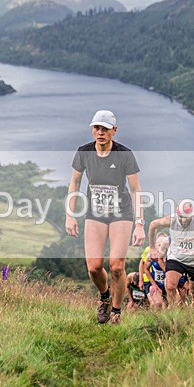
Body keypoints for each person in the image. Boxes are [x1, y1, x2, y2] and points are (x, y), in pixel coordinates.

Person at [66, 109, 145, 324]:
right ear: (92, 129)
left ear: (114, 131)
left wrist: (140, 223)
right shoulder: (84, 152)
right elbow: (75, 183)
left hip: (122, 213)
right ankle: (104, 298)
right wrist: (70, 215)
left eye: (105, 129)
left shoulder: (124, 154)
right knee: (93, 266)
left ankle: (117, 312)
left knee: (117, 266)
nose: (100, 132)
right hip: (95, 213)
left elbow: (136, 189)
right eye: (96, 128)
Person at [146, 198, 194, 305]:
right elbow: (153, 225)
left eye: (186, 217)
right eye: (180, 217)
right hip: (176, 258)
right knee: (170, 286)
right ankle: (177, 310)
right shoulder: (171, 220)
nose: (183, 220)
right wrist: (152, 248)